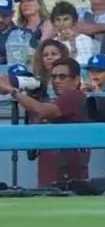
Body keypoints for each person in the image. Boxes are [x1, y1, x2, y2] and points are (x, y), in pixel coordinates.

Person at [0, 57, 89, 187]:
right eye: (53, 77)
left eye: (62, 77)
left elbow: (42, 111)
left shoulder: (75, 96)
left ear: (76, 80)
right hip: (51, 177)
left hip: (68, 179)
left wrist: (12, 90)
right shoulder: (57, 101)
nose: (57, 81)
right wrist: (32, 97)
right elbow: (37, 124)